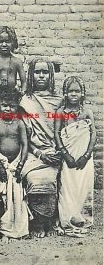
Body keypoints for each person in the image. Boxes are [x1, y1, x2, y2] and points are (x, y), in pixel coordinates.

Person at [20, 58, 63, 238]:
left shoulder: (59, 101)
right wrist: (39, 153)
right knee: (36, 179)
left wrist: (58, 152)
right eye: (37, 72)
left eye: (45, 72)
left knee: (59, 176)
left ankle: (51, 220)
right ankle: (38, 222)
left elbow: (63, 131)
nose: (41, 76)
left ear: (51, 75)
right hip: (33, 153)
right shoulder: (26, 101)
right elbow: (24, 137)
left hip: (55, 150)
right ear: (31, 75)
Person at [55, 76, 96, 238]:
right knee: (68, 187)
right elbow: (57, 135)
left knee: (83, 187)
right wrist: (66, 155)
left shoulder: (87, 112)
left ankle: (82, 217)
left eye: (77, 91)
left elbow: (93, 136)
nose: (74, 94)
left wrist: (86, 155)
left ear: (82, 93)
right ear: (65, 93)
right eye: (70, 91)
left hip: (84, 158)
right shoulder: (60, 113)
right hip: (69, 158)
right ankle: (69, 217)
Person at [0, 89, 29, 243]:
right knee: (3, 194)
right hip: (2, 162)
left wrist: (20, 165)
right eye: (4, 105)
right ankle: (3, 228)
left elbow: (25, 144)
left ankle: (18, 228)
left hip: (16, 162)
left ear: (17, 107)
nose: (7, 109)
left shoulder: (19, 124)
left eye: (11, 106)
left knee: (17, 194)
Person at [0, 26, 26, 111]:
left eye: (7, 41)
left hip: (12, 94)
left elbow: (24, 81)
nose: (4, 44)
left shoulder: (17, 61)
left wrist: (22, 93)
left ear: (13, 43)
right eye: (0, 41)